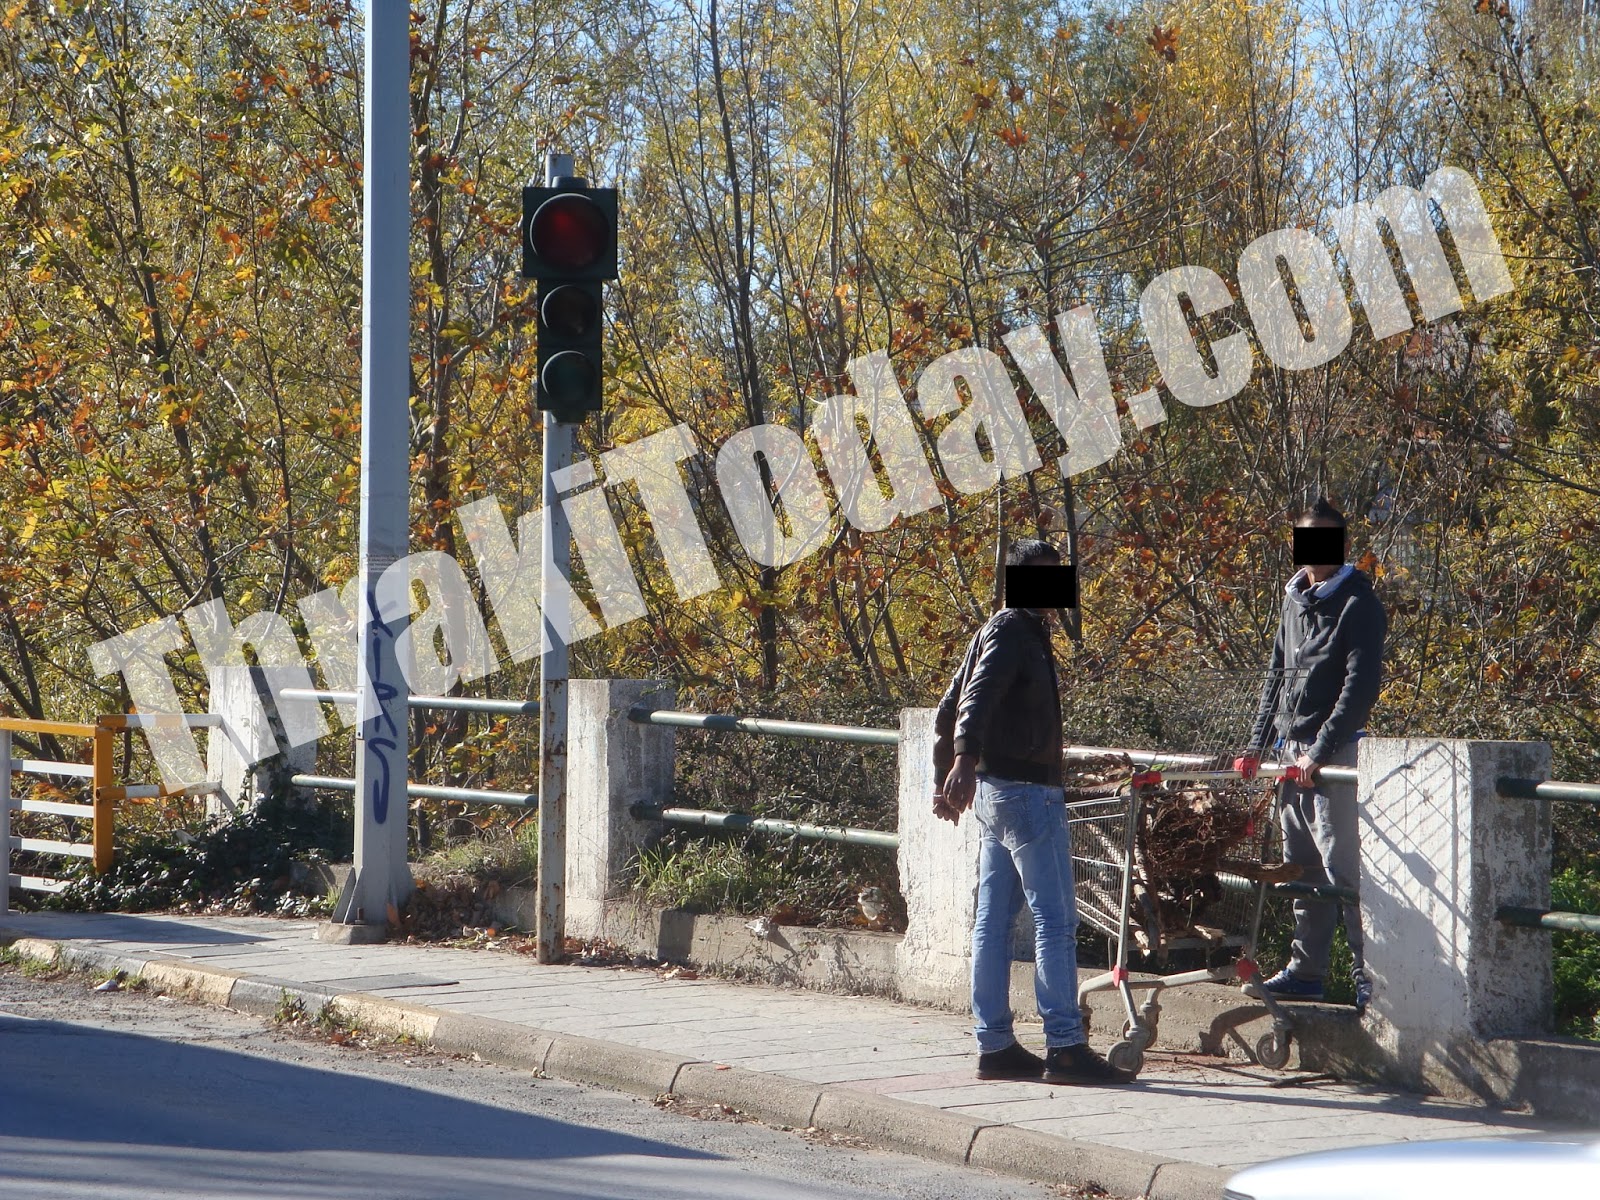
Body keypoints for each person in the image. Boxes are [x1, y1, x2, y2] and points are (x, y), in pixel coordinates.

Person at [932, 538, 1131, 1084]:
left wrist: (946, 773)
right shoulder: (1015, 630)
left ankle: (994, 1046)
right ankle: (1065, 1045)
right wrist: (962, 763)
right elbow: (970, 705)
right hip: (1025, 791)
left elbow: (950, 706)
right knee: (1055, 921)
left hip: (1000, 794)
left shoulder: (1003, 629)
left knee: (993, 923)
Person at [1238, 498, 1387, 1013]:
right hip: (1290, 754)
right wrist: (1257, 744)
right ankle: (1306, 973)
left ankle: (1370, 979)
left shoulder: (1358, 604)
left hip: (1333, 756)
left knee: (1344, 870)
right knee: (1302, 869)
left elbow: (1359, 687)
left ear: (1343, 545)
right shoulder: (1292, 600)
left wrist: (1320, 754)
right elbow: (1275, 676)